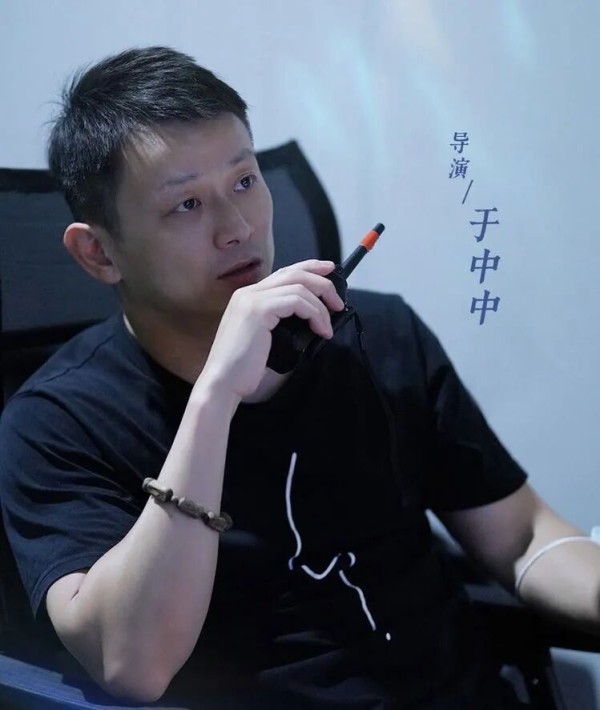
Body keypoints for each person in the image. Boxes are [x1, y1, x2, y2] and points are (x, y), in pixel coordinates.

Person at [0, 46, 599, 709]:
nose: (237, 227)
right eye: (186, 205)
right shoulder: (55, 421)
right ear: (98, 252)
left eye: (244, 181)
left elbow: (522, 536)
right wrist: (215, 397)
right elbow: (132, 664)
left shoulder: (378, 334)